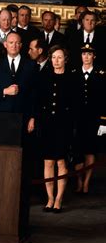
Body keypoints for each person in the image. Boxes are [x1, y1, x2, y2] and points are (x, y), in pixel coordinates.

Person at [35, 46, 74, 213]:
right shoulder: (44, 77)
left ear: (65, 59)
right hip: (47, 124)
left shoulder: (73, 78)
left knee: (61, 161)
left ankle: (59, 198)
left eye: (59, 57)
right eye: (53, 57)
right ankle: (50, 197)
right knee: (48, 161)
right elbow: (38, 100)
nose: (56, 61)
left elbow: (76, 106)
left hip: (64, 125)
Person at [71, 45, 105, 194]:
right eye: (84, 54)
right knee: (78, 152)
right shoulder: (74, 73)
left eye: (89, 54)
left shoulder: (101, 74)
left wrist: (104, 121)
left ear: (94, 57)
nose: (86, 57)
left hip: (93, 120)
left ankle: (86, 183)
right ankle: (79, 181)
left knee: (90, 151)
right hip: (77, 120)